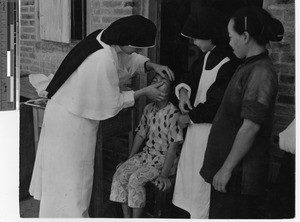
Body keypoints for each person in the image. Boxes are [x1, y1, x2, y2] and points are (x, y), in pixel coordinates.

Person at [29, 15, 175, 218]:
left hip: (68, 112)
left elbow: (126, 56)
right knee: (74, 181)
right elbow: (112, 103)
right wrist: (145, 92)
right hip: (71, 123)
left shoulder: (104, 38)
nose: (138, 53)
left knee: (69, 181)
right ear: (126, 40)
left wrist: (150, 65)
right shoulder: (101, 58)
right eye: (137, 48)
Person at [200, 6, 284, 219]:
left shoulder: (261, 72)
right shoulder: (249, 66)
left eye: (231, 36)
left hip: (239, 177)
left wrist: (226, 169)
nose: (229, 42)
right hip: (232, 175)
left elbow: (250, 127)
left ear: (245, 36)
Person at [171, 7, 239, 219]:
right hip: (194, 132)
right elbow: (188, 78)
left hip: (211, 133)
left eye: (197, 39)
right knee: (189, 180)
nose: (194, 43)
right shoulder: (205, 57)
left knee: (202, 187)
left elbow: (215, 104)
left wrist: (186, 117)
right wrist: (183, 93)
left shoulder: (229, 62)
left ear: (210, 36)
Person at [109, 73, 183, 218]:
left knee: (135, 179)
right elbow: (141, 134)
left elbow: (173, 147)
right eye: (154, 81)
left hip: (164, 159)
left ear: (171, 89)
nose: (157, 84)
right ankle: (126, 218)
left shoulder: (173, 112)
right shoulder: (148, 108)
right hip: (147, 155)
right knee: (120, 173)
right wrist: (129, 159)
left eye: (163, 82)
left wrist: (164, 175)